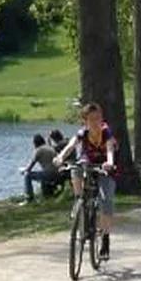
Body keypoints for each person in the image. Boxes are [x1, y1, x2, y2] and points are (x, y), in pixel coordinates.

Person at [53, 102, 119, 259]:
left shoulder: (106, 132)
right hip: (87, 162)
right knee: (75, 168)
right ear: (85, 121)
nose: (95, 122)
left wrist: (109, 162)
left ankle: (105, 239)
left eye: (98, 118)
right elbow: (71, 145)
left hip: (105, 167)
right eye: (91, 119)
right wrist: (60, 157)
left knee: (106, 201)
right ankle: (79, 199)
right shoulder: (83, 133)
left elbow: (110, 149)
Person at [19, 133, 61, 202]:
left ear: (35, 143)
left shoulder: (39, 150)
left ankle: (29, 198)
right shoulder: (49, 148)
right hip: (57, 173)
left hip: (49, 174)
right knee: (41, 173)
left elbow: (30, 167)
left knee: (27, 175)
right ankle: (47, 195)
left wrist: (23, 171)